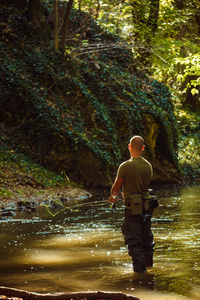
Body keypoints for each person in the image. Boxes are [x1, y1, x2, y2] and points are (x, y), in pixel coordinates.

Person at [109, 135, 155, 273]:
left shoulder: (125, 166)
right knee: (147, 240)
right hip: (147, 208)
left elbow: (116, 189)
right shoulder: (148, 165)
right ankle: (149, 271)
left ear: (129, 147)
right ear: (143, 148)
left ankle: (140, 277)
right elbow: (142, 186)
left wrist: (113, 197)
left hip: (132, 210)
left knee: (134, 243)